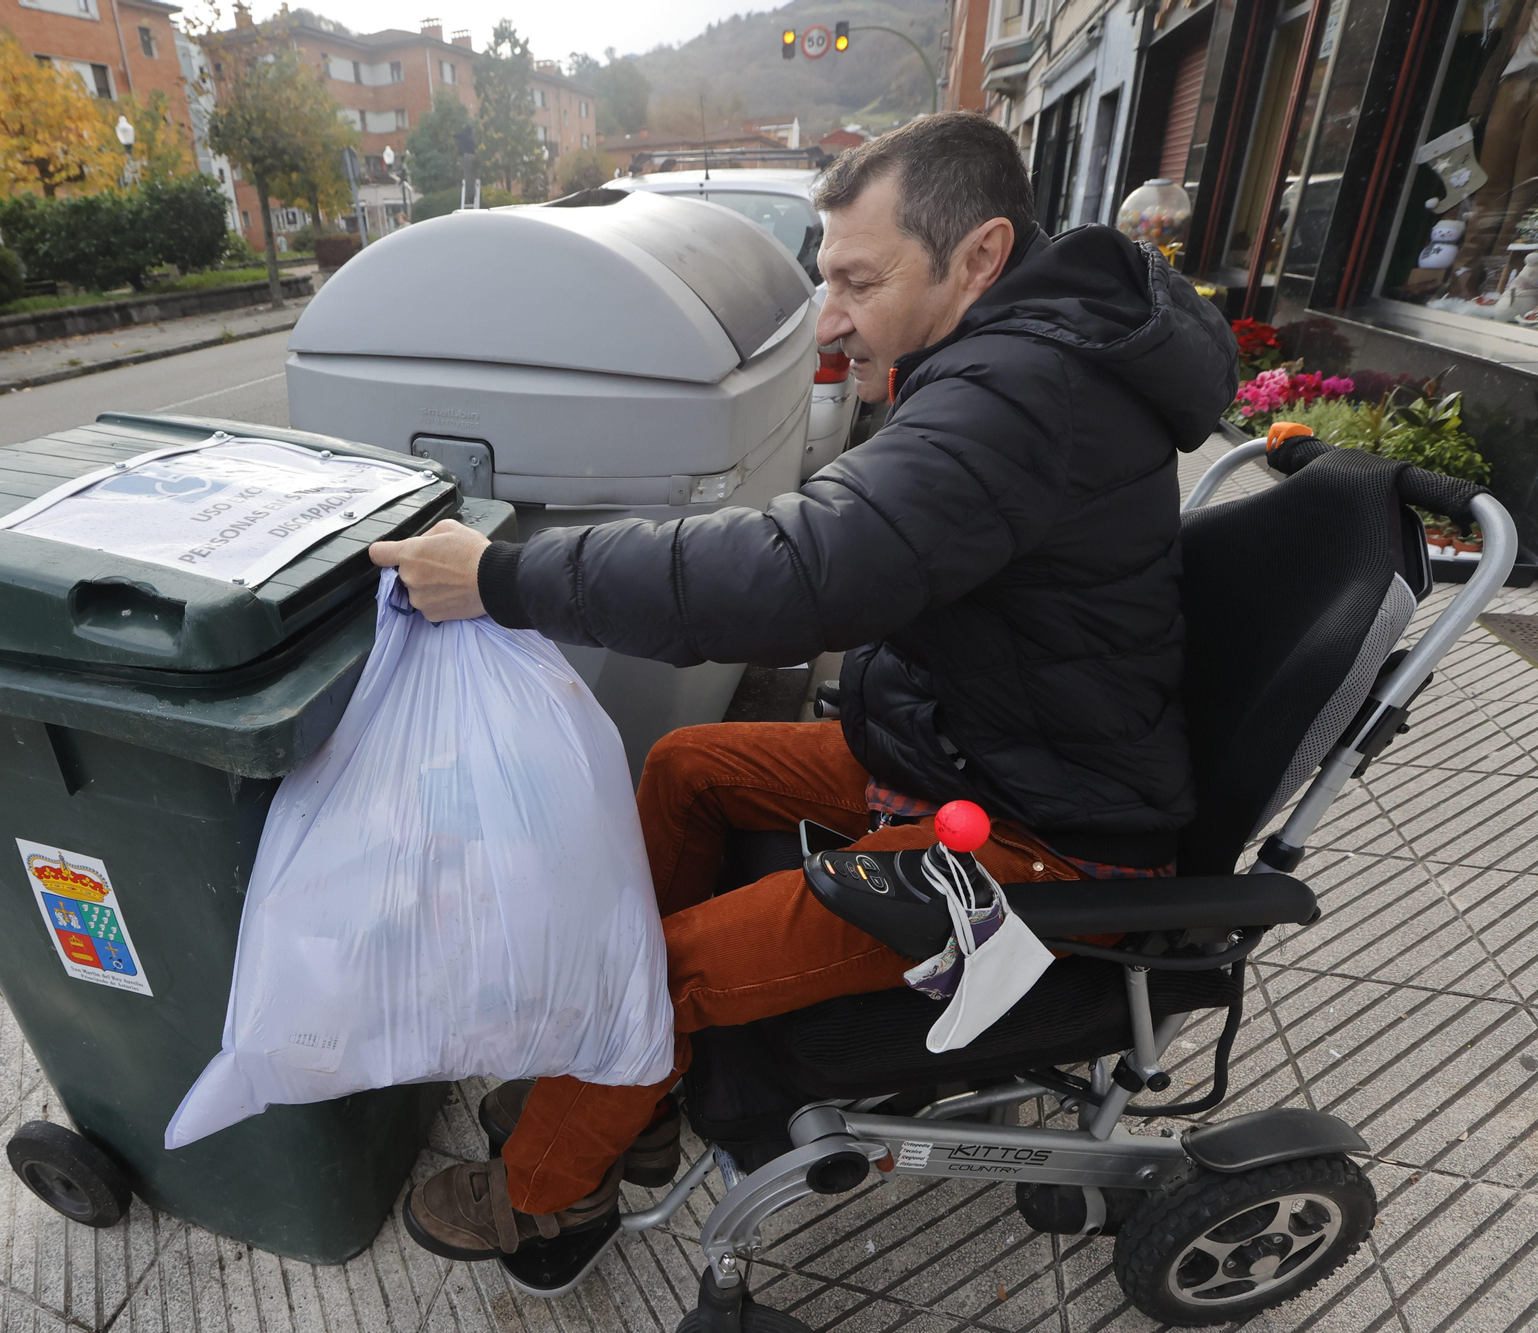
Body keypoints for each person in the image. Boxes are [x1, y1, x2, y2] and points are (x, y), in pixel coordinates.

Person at [367, 112, 1240, 1284]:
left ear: (978, 256)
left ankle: (544, 1194)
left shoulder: (1024, 393)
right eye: (824, 277)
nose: (827, 315)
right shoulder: (1020, 350)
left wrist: (504, 576)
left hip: (1048, 836)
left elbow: (803, 571)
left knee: (664, 967)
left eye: (855, 280)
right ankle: (635, 1080)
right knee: (686, 766)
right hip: (969, 753)